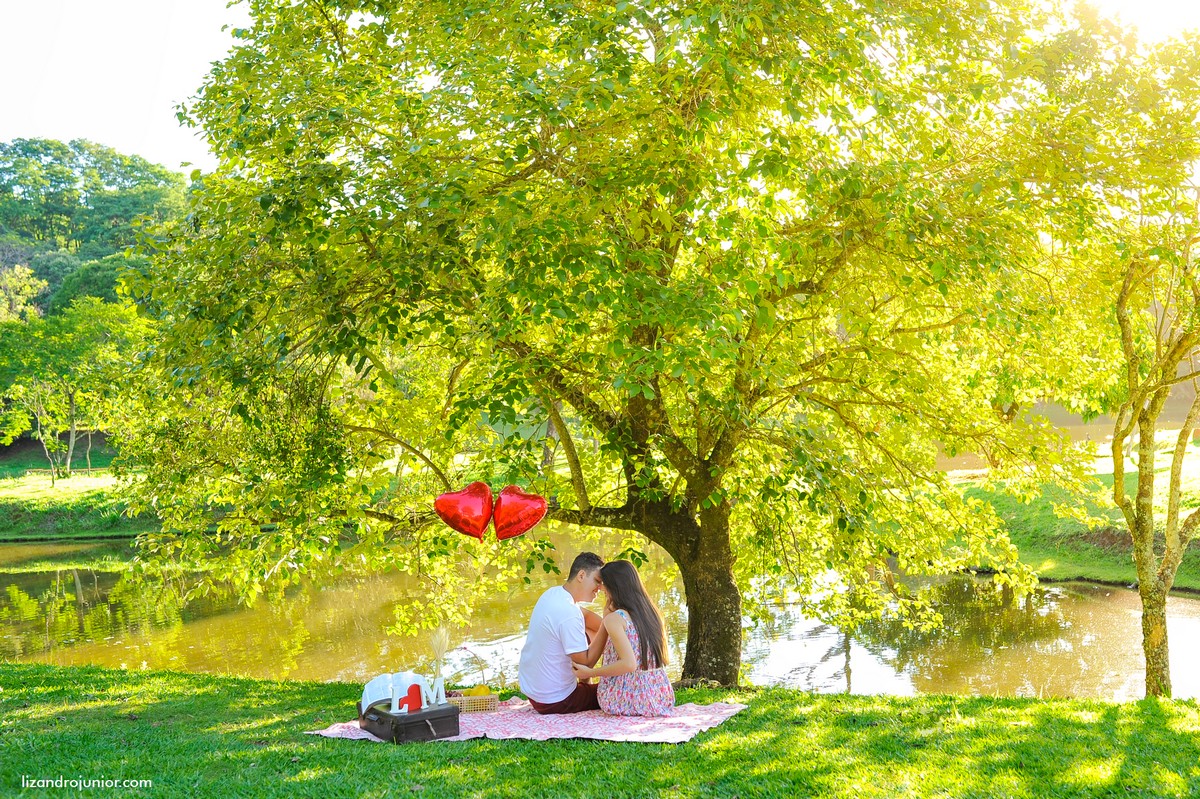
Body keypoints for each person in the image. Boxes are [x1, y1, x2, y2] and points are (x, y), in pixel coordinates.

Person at [572, 559, 675, 717]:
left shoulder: (616, 619)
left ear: (613, 586)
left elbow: (629, 664)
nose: (599, 588)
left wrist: (590, 673)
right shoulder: (651, 612)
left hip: (627, 698)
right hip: (660, 695)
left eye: (602, 583)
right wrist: (606, 617)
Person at [517, 551, 608, 714]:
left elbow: (585, 616)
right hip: (556, 700)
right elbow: (585, 664)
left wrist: (616, 631)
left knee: (588, 632)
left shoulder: (554, 594)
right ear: (581, 575)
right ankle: (584, 690)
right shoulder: (568, 612)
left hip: (535, 693)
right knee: (619, 691)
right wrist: (608, 630)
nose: (600, 588)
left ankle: (584, 688)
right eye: (597, 581)